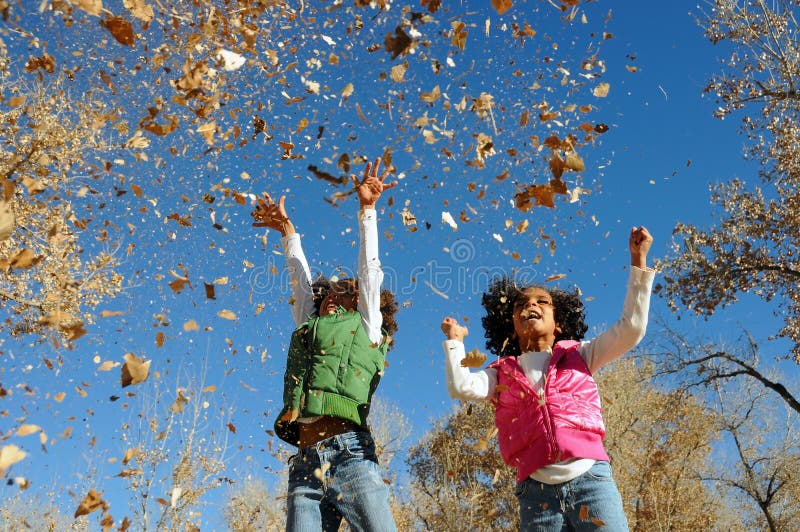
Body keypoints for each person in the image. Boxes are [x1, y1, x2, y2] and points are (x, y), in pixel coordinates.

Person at [440, 227, 654, 531]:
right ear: (512, 327)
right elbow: (460, 386)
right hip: (536, 497)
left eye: (542, 302)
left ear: (558, 324)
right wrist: (455, 341)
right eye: (521, 304)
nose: (531, 305)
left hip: (591, 481)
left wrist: (638, 260)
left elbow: (631, 328)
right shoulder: (500, 373)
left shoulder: (581, 356)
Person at [251, 157, 399, 532]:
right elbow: (299, 283)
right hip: (304, 465)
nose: (334, 295)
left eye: (344, 293)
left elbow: (370, 271)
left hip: (350, 455)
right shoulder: (309, 330)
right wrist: (287, 232)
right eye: (329, 292)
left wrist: (367, 210)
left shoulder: (367, 326)